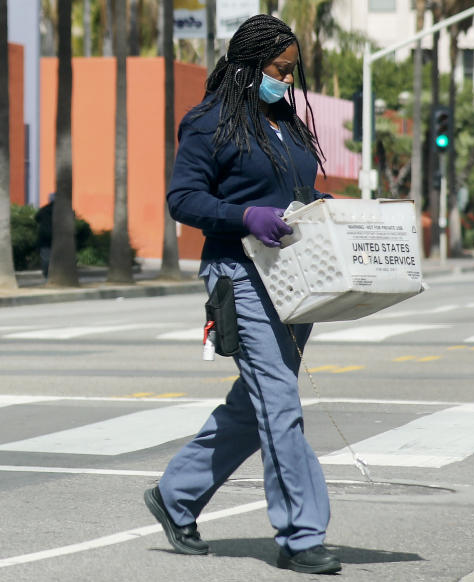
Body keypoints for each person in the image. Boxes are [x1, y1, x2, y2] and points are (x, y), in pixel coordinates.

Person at [143, 14, 340, 575]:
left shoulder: (287, 122)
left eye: (292, 70)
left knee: (255, 405)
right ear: (250, 65)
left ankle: (175, 496)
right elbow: (183, 200)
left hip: (294, 277)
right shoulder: (208, 123)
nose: (287, 79)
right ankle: (302, 535)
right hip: (238, 274)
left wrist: (318, 204)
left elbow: (293, 189)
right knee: (278, 399)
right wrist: (244, 216)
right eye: (280, 69)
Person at [34, 194, 55, 277]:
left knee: (46, 256)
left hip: (44, 236)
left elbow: (36, 218)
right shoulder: (62, 210)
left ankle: (46, 273)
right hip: (57, 236)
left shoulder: (44, 209)